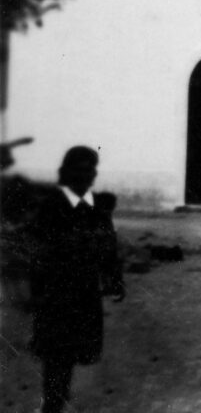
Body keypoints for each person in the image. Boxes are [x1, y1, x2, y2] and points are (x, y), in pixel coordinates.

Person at [29, 146, 124, 413]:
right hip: (55, 291)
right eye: (80, 171)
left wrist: (114, 279)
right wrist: (36, 290)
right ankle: (52, 404)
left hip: (84, 291)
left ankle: (59, 400)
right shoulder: (51, 208)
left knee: (72, 350)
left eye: (91, 171)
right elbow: (37, 252)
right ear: (66, 174)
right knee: (56, 352)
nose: (86, 176)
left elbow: (108, 246)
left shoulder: (97, 208)